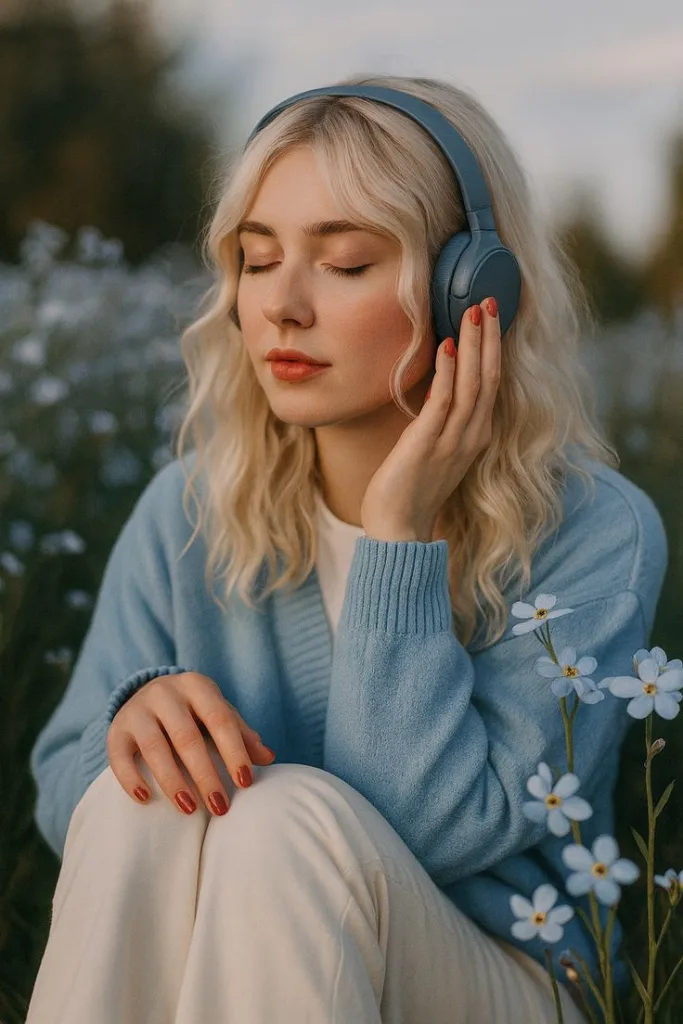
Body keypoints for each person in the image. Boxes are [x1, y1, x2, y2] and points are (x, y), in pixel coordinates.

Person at [26, 72, 667, 1024]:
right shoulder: (189, 511)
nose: (281, 305)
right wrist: (135, 733)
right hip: (251, 966)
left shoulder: (592, 532)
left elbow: (434, 830)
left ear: (470, 291)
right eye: (256, 259)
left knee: (281, 819)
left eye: (345, 262)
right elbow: (63, 801)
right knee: (143, 796)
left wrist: (397, 535)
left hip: (504, 976)